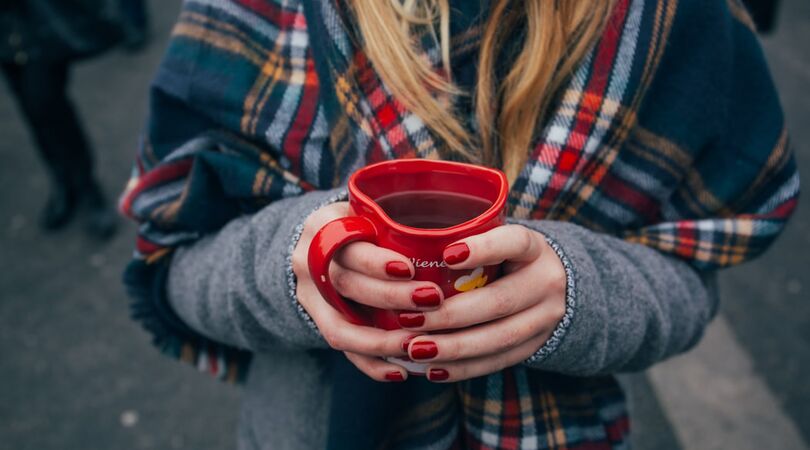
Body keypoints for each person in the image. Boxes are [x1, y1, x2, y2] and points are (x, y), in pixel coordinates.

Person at [120, 0, 799, 448]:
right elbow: (175, 265)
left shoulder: (673, 19)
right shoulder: (264, 9)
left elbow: (690, 280)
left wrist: (577, 293)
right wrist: (297, 261)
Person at [1, 0, 119, 238]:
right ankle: (63, 182)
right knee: (32, 112)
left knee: (48, 103)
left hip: (37, 24)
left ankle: (87, 186)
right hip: (5, 34)